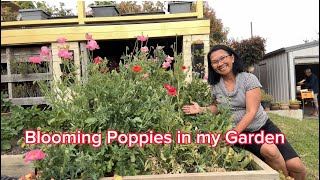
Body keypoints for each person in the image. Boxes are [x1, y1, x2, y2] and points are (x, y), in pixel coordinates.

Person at [182, 45, 306, 180]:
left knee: (296, 166)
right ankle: (284, 178)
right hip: (243, 133)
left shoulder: (248, 79)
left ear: (232, 58)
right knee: (270, 151)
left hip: (263, 127)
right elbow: (219, 108)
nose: (220, 64)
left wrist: (233, 134)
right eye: (215, 62)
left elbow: (251, 112)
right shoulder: (216, 86)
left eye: (222, 58)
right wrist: (201, 109)